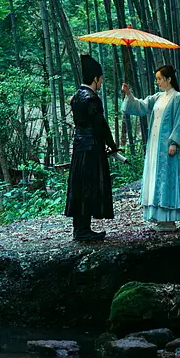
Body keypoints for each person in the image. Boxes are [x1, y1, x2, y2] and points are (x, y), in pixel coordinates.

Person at [120, 65, 180, 231]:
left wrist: (174, 143)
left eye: (159, 78)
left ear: (169, 79)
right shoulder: (158, 96)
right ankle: (158, 217)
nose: (157, 82)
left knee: (167, 179)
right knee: (155, 179)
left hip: (166, 147)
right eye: (156, 78)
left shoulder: (178, 98)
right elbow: (141, 106)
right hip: (154, 145)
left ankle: (169, 219)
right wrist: (128, 94)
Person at [65, 55, 119, 242]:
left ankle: (79, 229)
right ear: (95, 78)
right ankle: (83, 230)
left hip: (79, 146)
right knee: (88, 186)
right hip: (91, 148)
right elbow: (100, 125)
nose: (101, 83)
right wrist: (112, 145)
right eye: (101, 79)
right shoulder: (91, 99)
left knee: (80, 185)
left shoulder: (76, 97)